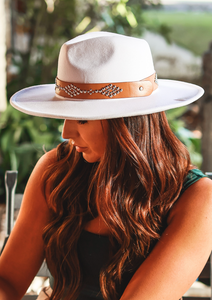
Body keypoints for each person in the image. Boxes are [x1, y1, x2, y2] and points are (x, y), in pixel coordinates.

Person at [0, 31, 212, 300]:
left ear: (126, 123)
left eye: (83, 119)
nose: (66, 133)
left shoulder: (195, 196)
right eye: (66, 116)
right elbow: (7, 281)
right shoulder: (56, 171)